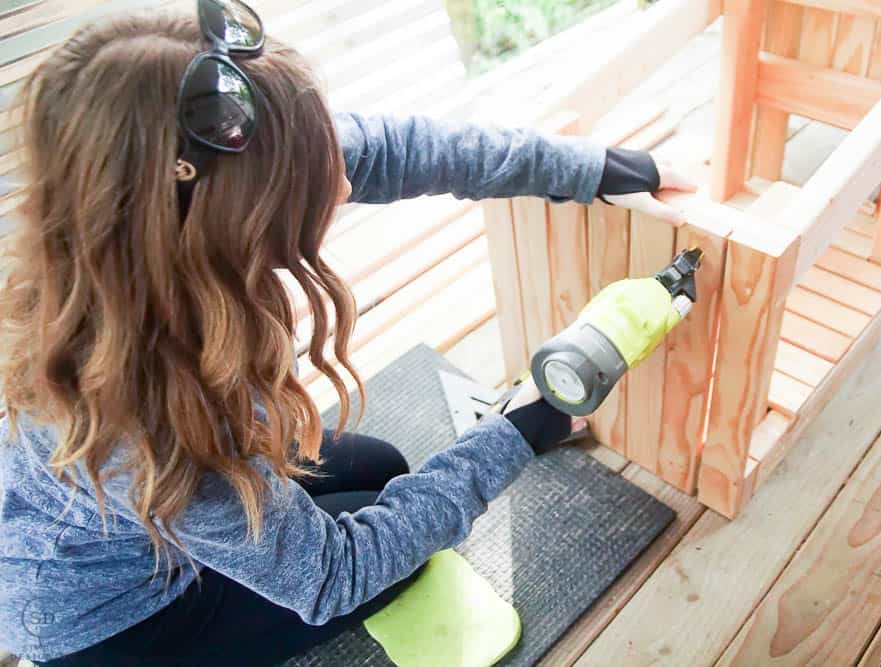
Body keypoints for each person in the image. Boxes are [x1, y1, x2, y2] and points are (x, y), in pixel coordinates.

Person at [0, 2, 695, 665]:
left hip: (144, 502)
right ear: (222, 231)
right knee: (395, 549)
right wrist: (521, 429)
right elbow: (337, 573)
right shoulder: (147, 420)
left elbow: (403, 150)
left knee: (385, 468)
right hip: (117, 615)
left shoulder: (161, 209)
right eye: (309, 197)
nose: (339, 186)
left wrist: (593, 170)